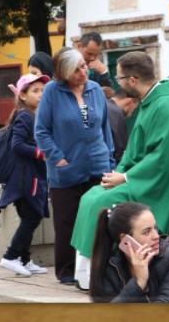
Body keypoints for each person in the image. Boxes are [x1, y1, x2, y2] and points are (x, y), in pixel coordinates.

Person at [71, 52, 169, 289]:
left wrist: (126, 177)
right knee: (91, 196)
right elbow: (134, 152)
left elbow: (164, 157)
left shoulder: (167, 107)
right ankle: (87, 275)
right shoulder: (149, 103)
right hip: (149, 176)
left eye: (120, 78)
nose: (118, 83)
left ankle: (101, 275)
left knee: (101, 203)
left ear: (133, 80)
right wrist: (118, 174)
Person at [36, 48, 116, 289]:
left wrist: (110, 160)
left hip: (98, 166)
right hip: (66, 169)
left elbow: (105, 129)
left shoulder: (94, 90)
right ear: (64, 72)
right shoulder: (52, 91)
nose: (85, 71)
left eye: (85, 66)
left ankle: (96, 268)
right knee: (66, 222)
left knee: (98, 220)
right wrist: (58, 158)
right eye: (78, 68)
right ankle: (67, 270)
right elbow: (41, 131)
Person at [0, 74, 52, 277]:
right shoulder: (25, 116)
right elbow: (17, 145)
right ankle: (10, 256)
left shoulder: (30, 114)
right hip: (26, 178)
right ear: (23, 95)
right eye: (35, 91)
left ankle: (25, 259)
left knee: (29, 217)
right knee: (32, 217)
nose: (40, 95)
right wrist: (41, 154)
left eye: (42, 91)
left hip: (30, 176)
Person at [88, 201, 169, 302]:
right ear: (126, 239)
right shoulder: (110, 265)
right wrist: (139, 283)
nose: (156, 236)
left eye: (155, 228)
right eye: (146, 232)